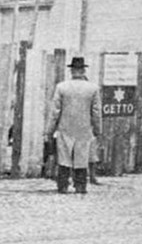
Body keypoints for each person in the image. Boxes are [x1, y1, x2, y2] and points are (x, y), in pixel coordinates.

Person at [45, 57, 101, 194]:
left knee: (64, 157)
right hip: (84, 128)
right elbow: (96, 112)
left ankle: (63, 185)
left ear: (71, 71)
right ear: (83, 70)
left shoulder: (62, 87)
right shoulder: (93, 88)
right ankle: (80, 185)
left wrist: (49, 130)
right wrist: (97, 129)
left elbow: (55, 111)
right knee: (81, 157)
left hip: (66, 127)